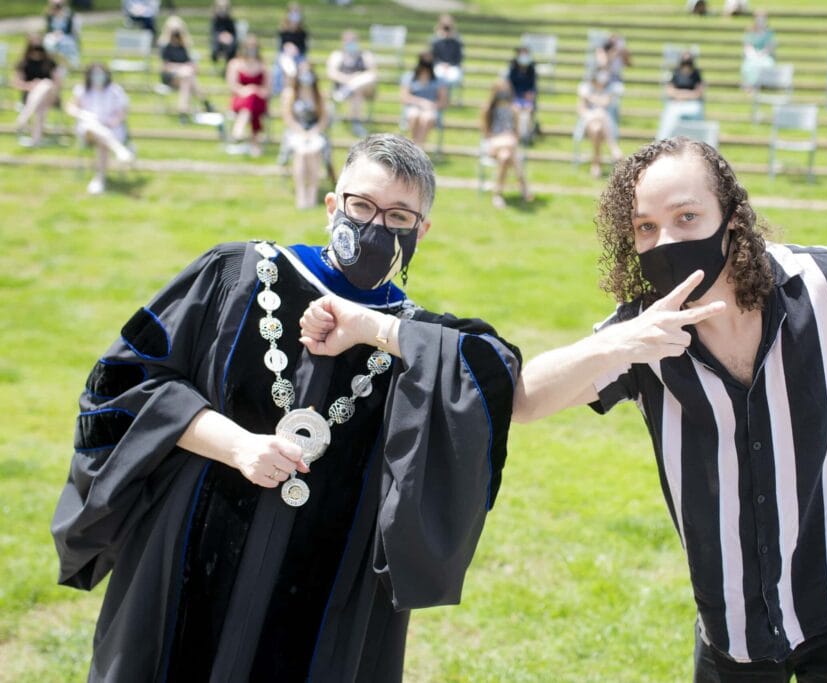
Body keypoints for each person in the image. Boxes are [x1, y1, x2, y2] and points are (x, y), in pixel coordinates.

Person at [512, 136, 827, 682]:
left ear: (730, 219)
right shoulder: (643, 335)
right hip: (734, 629)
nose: (667, 240)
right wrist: (620, 342)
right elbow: (526, 400)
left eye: (687, 216)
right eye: (646, 227)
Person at [52, 133, 521, 682]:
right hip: (186, 557)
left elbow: (497, 372)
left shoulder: (411, 339)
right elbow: (126, 381)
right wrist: (236, 446)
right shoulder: (239, 274)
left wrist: (375, 329)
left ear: (422, 231)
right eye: (361, 206)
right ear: (331, 206)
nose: (375, 228)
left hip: (328, 592)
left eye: (399, 217)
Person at [65, 62, 134, 195]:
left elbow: (122, 111)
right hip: (88, 131)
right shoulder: (82, 90)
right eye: (94, 74)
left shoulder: (115, 90)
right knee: (92, 125)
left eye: (100, 73)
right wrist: (82, 114)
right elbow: (71, 107)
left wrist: (113, 121)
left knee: (101, 141)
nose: (98, 77)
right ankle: (119, 150)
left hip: (112, 128)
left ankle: (99, 179)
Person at [280, 61, 332, 209]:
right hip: (296, 131)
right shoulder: (291, 94)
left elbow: (323, 119)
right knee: (302, 153)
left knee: (313, 152)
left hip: (315, 130)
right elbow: (288, 117)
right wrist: (301, 131)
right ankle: (301, 194)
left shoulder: (319, 95)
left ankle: (312, 193)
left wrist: (314, 131)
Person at [481, 79, 533, 209]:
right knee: (509, 144)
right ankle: (523, 185)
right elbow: (486, 133)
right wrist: (503, 138)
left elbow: (517, 133)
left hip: (508, 146)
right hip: (494, 144)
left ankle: (497, 195)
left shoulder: (513, 109)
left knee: (505, 156)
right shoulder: (488, 109)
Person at [325, 30, 378, 138]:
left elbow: (373, 73)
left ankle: (349, 90)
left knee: (368, 78)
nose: (351, 43)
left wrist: (356, 79)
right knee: (357, 93)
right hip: (342, 86)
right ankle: (356, 123)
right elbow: (331, 73)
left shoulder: (365, 55)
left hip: (362, 87)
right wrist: (347, 79)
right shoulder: (337, 55)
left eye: (353, 40)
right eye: (348, 41)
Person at [158, 16, 210, 123]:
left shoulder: (184, 46)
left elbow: (191, 63)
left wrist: (189, 67)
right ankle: (205, 102)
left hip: (185, 77)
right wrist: (181, 68)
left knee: (187, 79)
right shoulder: (165, 45)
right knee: (187, 76)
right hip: (170, 76)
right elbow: (165, 66)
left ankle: (183, 112)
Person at [13, 34, 61, 148]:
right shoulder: (23, 63)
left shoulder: (50, 62)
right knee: (40, 107)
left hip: (51, 95)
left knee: (46, 84)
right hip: (31, 96)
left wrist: (40, 84)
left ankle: (25, 116)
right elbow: (17, 83)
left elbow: (57, 82)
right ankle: (36, 139)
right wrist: (31, 85)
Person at [226, 34, 270, 156]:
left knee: (253, 100)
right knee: (251, 101)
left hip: (259, 99)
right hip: (240, 99)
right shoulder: (234, 64)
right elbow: (233, 85)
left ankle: (238, 131)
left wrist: (255, 90)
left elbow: (267, 89)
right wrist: (247, 90)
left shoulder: (263, 65)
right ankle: (255, 143)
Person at [577, 68, 623, 178]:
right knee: (600, 114)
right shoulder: (586, 88)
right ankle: (613, 148)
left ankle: (596, 163)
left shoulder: (609, 90)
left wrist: (590, 98)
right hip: (588, 122)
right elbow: (581, 110)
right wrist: (594, 114)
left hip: (604, 126)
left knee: (597, 128)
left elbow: (606, 102)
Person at [400, 52, 447, 148]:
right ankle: (414, 146)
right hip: (413, 106)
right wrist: (421, 102)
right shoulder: (409, 77)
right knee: (414, 115)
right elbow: (404, 97)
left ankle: (417, 147)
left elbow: (443, 101)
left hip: (431, 108)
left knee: (427, 118)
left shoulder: (439, 80)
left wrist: (432, 105)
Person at [656, 50, 704, 140]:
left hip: (692, 103)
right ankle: (663, 140)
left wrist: (684, 95)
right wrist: (681, 95)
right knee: (669, 117)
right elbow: (670, 90)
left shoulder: (696, 73)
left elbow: (699, 92)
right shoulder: (675, 72)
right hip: (676, 102)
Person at [272, 2, 308, 96]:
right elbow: (279, 47)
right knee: (279, 68)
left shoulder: (303, 32)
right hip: (285, 55)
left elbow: (304, 48)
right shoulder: (283, 31)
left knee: (303, 68)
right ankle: (278, 89)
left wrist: (296, 50)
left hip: (298, 56)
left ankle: (298, 89)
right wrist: (287, 48)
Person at [507, 45, 538, 143]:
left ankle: (526, 136)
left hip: (527, 98)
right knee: (516, 111)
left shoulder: (531, 70)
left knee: (527, 112)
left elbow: (533, 87)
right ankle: (516, 134)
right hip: (515, 97)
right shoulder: (513, 69)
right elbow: (509, 86)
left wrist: (530, 94)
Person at [741, 10, 776, 89]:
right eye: (758, 19)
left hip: (765, 56)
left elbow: (770, 47)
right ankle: (750, 86)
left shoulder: (769, 32)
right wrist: (754, 53)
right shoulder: (750, 31)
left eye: (762, 19)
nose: (760, 21)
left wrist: (762, 53)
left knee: (768, 64)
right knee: (749, 66)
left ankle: (763, 85)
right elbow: (747, 46)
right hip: (752, 55)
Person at [430, 13, 464, 92]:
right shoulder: (435, 40)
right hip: (439, 65)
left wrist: (449, 65)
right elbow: (433, 56)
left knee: (452, 78)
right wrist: (441, 64)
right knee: (438, 76)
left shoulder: (457, 41)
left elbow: (458, 57)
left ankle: (445, 97)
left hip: (453, 66)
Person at [43, 0, 80, 68]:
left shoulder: (69, 15)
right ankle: (53, 62)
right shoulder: (50, 16)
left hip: (67, 36)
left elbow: (72, 30)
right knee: (48, 43)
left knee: (66, 44)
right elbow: (48, 29)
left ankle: (69, 63)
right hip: (53, 36)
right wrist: (54, 33)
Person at [209, 0, 238, 72]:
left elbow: (233, 32)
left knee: (233, 45)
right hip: (218, 40)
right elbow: (214, 32)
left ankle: (229, 66)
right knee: (215, 44)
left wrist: (228, 37)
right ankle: (215, 60)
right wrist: (221, 36)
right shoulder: (215, 20)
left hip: (229, 41)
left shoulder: (230, 20)